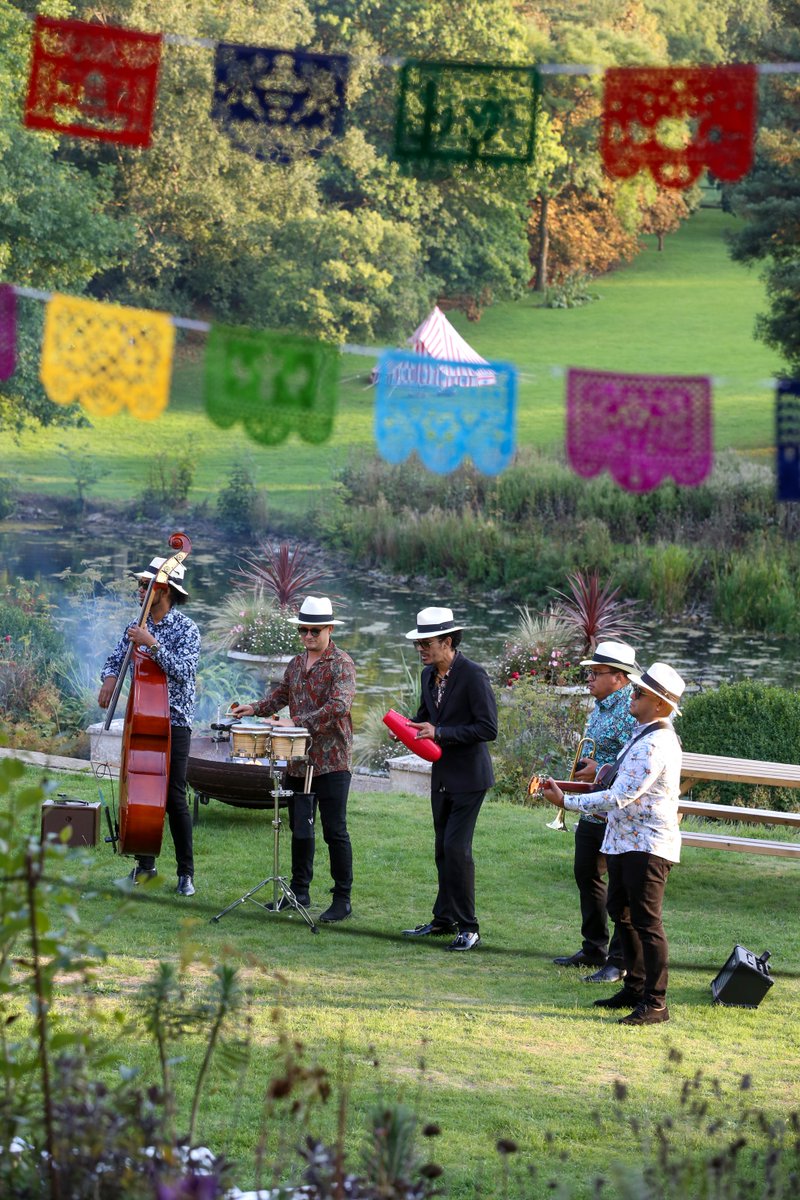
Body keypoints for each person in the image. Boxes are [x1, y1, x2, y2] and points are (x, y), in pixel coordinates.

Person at [543, 662, 685, 1026]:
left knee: (647, 924)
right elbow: (619, 781)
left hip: (647, 847)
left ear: (658, 704)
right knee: (621, 912)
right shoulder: (643, 733)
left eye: (639, 693)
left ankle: (656, 1004)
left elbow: (618, 796)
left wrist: (567, 803)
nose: (632, 696)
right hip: (625, 842)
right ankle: (635, 988)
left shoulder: (655, 743)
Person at [231, 596, 356, 923]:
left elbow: (339, 707)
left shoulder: (342, 663)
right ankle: (299, 892)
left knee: (335, 831)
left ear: (329, 628)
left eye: (314, 630)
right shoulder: (296, 664)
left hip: (332, 762)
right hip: (298, 759)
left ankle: (342, 899)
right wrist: (255, 708)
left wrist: (298, 722)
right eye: (303, 630)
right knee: (300, 829)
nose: (308, 636)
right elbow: (281, 696)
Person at [98, 557, 200, 896]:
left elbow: (184, 670)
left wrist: (151, 643)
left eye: (146, 585)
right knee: (143, 790)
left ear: (164, 590)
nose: (140, 589)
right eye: (141, 584)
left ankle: (186, 874)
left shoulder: (186, 628)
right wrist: (110, 678)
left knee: (173, 798)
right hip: (142, 718)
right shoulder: (135, 623)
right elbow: (116, 657)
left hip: (176, 721)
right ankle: (145, 867)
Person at [401, 606, 498, 952]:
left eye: (427, 643)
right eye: (418, 644)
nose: (421, 649)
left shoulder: (473, 675)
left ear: (448, 641)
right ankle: (444, 919)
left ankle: (469, 928)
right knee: (442, 849)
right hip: (442, 776)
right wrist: (406, 728)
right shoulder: (429, 677)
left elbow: (488, 729)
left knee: (457, 849)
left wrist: (439, 732)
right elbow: (426, 718)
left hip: (470, 778)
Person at [551, 640, 639, 984]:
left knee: (621, 887)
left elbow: (635, 762)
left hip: (617, 811)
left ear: (619, 678)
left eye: (596, 673)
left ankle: (619, 961)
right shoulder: (599, 707)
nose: (589, 678)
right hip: (592, 808)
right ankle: (593, 948)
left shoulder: (632, 708)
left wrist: (599, 767)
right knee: (585, 872)